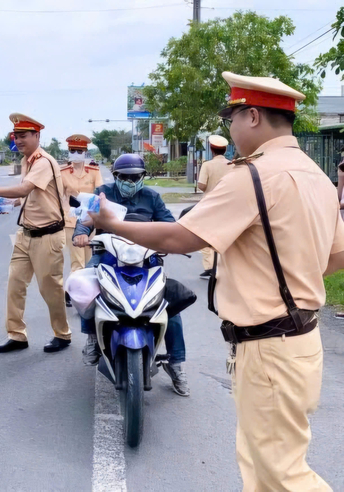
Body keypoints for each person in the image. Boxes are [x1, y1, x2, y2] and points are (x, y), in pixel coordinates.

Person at [89, 72, 343, 491]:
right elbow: (337, 254)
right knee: (261, 465)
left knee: (283, 474)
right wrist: (293, 278)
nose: (231, 128)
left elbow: (178, 237)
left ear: (254, 116)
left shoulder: (254, 175)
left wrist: (113, 224)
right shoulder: (315, 175)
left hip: (269, 347)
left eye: (233, 118)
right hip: (300, 340)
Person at [73, 153, 190, 396]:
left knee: (167, 306)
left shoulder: (152, 197)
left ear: (142, 177)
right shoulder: (102, 193)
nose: (129, 181)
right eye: (123, 177)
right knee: (87, 286)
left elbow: (168, 225)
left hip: (146, 258)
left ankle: (176, 362)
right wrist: (81, 233)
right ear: (115, 176)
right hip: (109, 254)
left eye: (135, 177)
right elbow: (87, 219)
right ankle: (93, 340)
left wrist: (172, 242)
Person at [0, 113, 71, 353]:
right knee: (15, 284)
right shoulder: (28, 160)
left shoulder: (43, 162)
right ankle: (17, 335)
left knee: (51, 289)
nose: (19, 140)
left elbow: (24, 188)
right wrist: (13, 204)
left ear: (37, 136)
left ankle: (63, 334)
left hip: (47, 236)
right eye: (16, 136)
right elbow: (31, 194)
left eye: (24, 136)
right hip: (25, 234)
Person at [61, 134, 104, 306]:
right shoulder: (62, 173)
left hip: (90, 221)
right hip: (71, 221)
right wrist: (67, 211)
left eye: (79, 151)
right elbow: (59, 196)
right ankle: (70, 293)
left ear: (85, 152)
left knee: (89, 261)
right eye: (73, 150)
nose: (76, 154)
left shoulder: (94, 171)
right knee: (77, 261)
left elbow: (100, 193)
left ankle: (85, 293)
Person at [197, 135, 231, 279]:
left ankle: (210, 267)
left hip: (209, 206)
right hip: (228, 206)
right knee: (225, 237)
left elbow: (202, 185)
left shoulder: (207, 165)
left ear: (211, 149)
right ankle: (225, 267)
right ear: (225, 150)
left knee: (204, 237)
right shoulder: (232, 165)